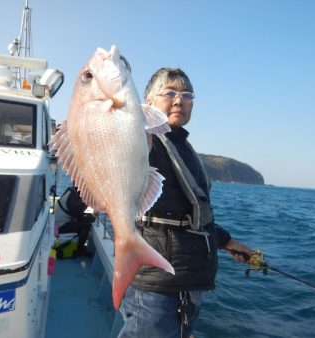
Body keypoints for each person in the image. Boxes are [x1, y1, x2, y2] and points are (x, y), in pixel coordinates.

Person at [118, 68, 256, 338]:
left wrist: (227, 242)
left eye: (186, 94)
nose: (179, 100)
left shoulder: (183, 146)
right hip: (157, 284)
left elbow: (192, 214)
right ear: (147, 101)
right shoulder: (144, 138)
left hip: (189, 281)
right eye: (169, 92)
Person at [54, 185, 95, 257]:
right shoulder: (72, 196)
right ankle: (81, 250)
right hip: (61, 226)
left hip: (59, 224)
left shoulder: (71, 192)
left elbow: (75, 213)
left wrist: (86, 216)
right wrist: (88, 202)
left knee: (85, 221)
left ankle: (80, 247)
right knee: (86, 226)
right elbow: (76, 212)